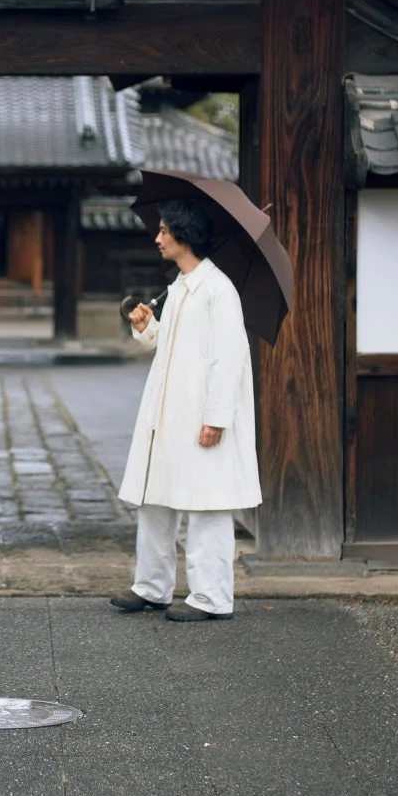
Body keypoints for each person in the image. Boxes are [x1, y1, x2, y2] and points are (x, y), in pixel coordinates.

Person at [111, 199, 260, 622]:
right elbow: (167, 344)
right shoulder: (178, 288)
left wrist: (216, 417)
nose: (157, 238)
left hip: (200, 415)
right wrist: (145, 327)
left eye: (163, 231)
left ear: (184, 236)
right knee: (155, 499)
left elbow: (228, 359)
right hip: (166, 413)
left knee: (206, 504)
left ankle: (211, 597)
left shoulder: (218, 290)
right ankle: (152, 586)